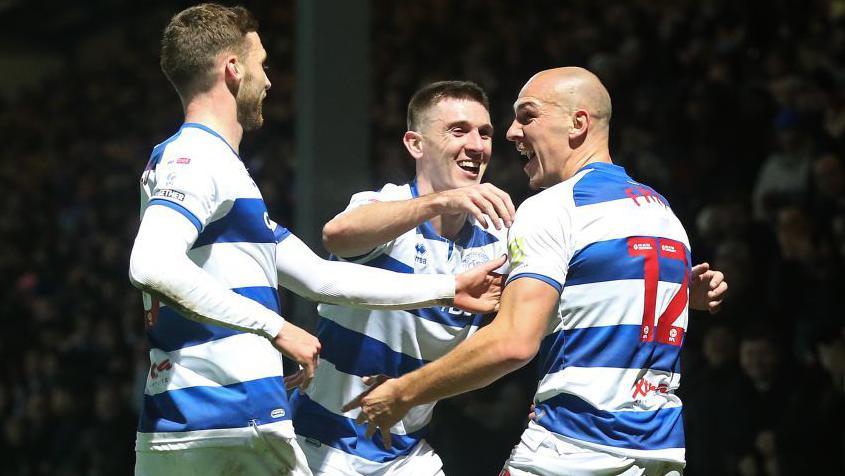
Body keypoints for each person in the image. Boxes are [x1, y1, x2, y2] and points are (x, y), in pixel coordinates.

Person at [128, 6, 503, 475]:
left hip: (185, 419)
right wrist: (276, 327)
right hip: (233, 417)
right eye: (261, 64)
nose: (267, 80)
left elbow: (320, 278)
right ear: (232, 69)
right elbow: (151, 264)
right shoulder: (196, 155)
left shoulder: (221, 171)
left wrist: (448, 290)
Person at [345, 67, 728, 476]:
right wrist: (687, 296)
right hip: (661, 452)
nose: (512, 133)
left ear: (578, 123)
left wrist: (403, 392)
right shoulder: (662, 212)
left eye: (527, 116)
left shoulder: (555, 206)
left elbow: (513, 342)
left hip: (574, 449)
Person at [290, 80, 515, 475]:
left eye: (485, 133)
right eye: (458, 130)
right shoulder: (384, 205)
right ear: (415, 144)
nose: (477, 145)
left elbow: (514, 337)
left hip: (406, 454)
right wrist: (441, 202)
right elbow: (337, 235)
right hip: (321, 448)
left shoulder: (498, 243)